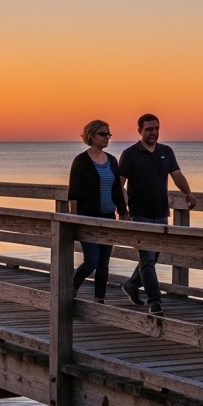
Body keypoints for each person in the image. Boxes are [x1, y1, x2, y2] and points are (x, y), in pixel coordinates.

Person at [118, 113, 196, 317]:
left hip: (161, 212)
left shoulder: (166, 152)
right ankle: (155, 302)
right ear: (140, 131)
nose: (154, 133)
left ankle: (131, 285)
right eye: (149, 129)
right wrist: (121, 209)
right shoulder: (130, 154)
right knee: (146, 257)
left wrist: (188, 193)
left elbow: (176, 175)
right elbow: (120, 184)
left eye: (156, 129)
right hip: (139, 213)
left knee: (152, 259)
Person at [67, 120, 128, 301]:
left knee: (104, 263)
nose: (107, 138)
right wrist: (74, 219)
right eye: (103, 134)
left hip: (108, 217)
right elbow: (73, 193)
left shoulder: (111, 160)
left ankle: (99, 300)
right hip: (88, 218)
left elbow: (117, 189)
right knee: (91, 261)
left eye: (109, 134)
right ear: (91, 136)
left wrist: (123, 212)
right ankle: (72, 286)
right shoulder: (81, 161)